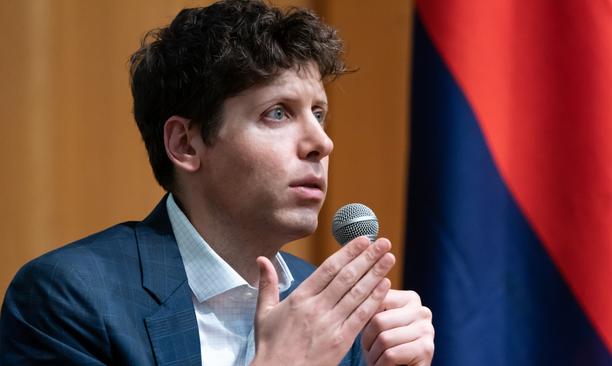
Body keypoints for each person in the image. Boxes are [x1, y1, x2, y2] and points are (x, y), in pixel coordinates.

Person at [0, 1, 435, 365]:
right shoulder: (69, 299)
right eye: (278, 112)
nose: (322, 142)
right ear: (186, 144)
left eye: (318, 113)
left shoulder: (328, 308)